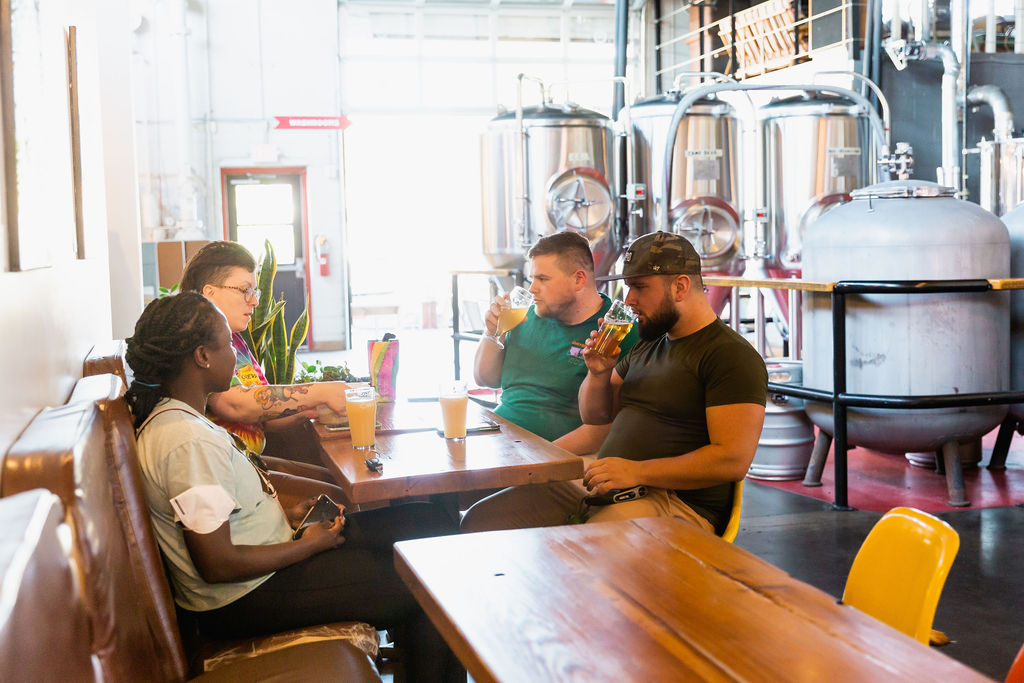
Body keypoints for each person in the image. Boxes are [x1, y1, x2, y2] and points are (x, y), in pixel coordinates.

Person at [125, 292, 464, 681]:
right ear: (202, 356)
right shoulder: (185, 440)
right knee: (433, 580)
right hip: (245, 598)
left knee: (428, 521)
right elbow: (216, 564)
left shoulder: (182, 421)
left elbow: (219, 516)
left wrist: (283, 514)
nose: (236, 355)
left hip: (264, 568)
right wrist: (307, 545)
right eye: (227, 344)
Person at [461, 231, 767, 535]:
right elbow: (595, 416)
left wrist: (637, 470)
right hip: (608, 482)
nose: (629, 300)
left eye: (639, 287)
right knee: (482, 521)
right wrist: (598, 373)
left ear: (681, 286)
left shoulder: (730, 356)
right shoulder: (649, 344)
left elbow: (731, 460)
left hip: (673, 500)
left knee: (586, 551)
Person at [179, 241, 344, 483]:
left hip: (249, 463)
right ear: (209, 293)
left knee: (335, 481)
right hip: (224, 475)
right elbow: (236, 404)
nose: (254, 301)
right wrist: (320, 391)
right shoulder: (197, 343)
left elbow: (263, 414)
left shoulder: (236, 341)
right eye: (244, 290)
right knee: (338, 495)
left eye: (254, 292)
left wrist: (315, 407)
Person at [473, 231, 638, 454]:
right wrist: (492, 332)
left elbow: (604, 430)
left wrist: (533, 458)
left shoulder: (615, 332)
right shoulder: (523, 316)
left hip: (556, 458)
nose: (532, 289)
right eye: (532, 279)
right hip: (499, 441)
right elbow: (485, 379)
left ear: (579, 279)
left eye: (542, 279)